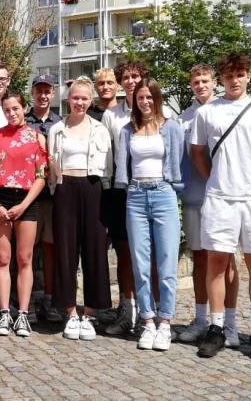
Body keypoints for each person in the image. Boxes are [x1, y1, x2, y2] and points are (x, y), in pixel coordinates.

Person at [190, 53, 251, 361]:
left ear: (247, 76)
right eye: (229, 75)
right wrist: (214, 179)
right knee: (216, 262)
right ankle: (216, 328)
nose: (234, 80)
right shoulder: (208, 112)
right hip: (220, 197)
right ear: (222, 78)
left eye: (239, 74)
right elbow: (197, 152)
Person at [115, 79, 186, 351]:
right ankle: (147, 321)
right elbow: (125, 165)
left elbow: (179, 162)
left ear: (157, 99)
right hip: (135, 195)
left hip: (163, 194)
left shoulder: (171, 128)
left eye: (149, 97)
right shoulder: (127, 130)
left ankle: (165, 322)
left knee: (166, 262)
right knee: (141, 263)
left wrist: (175, 188)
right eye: (140, 98)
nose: (144, 102)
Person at [176, 65, 241, 346]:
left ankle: (229, 322)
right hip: (194, 197)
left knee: (226, 260)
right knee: (200, 259)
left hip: (224, 198)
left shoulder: (227, 110)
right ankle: (202, 318)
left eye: (205, 80)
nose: (200, 85)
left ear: (215, 83)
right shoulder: (184, 118)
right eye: (195, 81)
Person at [46, 77, 112, 341]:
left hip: (93, 187)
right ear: (68, 99)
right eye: (76, 98)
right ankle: (71, 312)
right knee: (65, 252)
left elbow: (108, 166)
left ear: (90, 100)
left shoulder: (100, 129)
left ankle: (90, 313)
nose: (80, 103)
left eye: (85, 98)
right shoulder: (56, 130)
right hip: (65, 190)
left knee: (94, 250)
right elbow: (51, 163)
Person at [0, 91, 48, 338]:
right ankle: (3, 312)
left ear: (24, 108)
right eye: (7, 109)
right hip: (0, 198)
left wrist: (23, 206)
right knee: (2, 259)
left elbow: (42, 176)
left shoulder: (36, 137)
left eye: (15, 108)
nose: (12, 113)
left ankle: (22, 313)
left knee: (24, 258)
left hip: (27, 199)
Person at [101, 60, 148, 335]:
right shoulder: (112, 116)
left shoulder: (156, 111)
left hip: (149, 187)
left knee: (146, 253)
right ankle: (126, 310)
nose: (131, 81)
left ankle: (147, 312)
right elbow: (108, 158)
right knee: (124, 253)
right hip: (120, 190)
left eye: (135, 76)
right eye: (126, 77)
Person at [25, 74, 62, 323]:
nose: (43, 95)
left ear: (53, 94)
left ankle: (49, 300)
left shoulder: (60, 123)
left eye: (47, 91)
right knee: (26, 251)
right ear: (33, 94)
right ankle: (25, 302)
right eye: (39, 90)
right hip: (28, 194)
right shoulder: (24, 122)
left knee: (50, 248)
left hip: (52, 196)